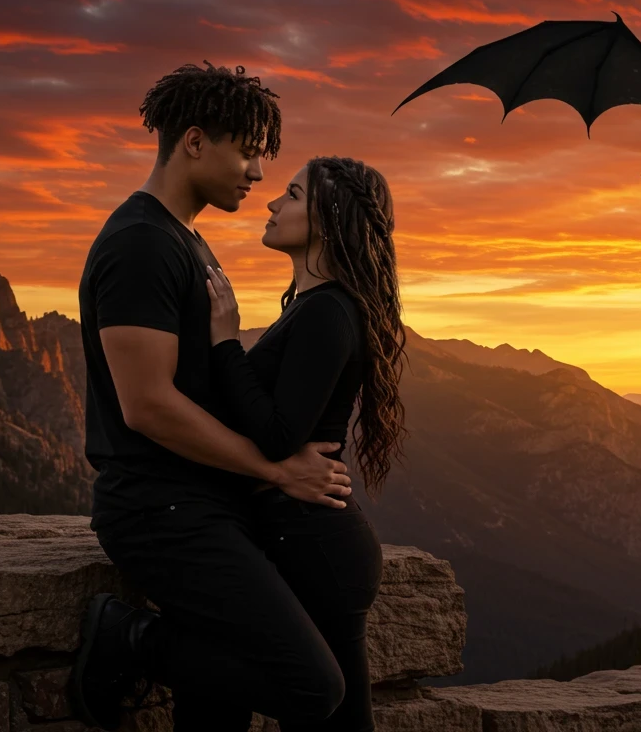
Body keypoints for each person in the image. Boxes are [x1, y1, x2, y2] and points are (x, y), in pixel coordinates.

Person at [64, 62, 379, 731]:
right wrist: (273, 468)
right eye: (247, 152)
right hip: (162, 512)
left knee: (217, 717)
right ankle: (127, 639)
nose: (258, 174)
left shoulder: (188, 243)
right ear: (196, 142)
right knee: (314, 685)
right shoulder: (142, 245)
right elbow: (145, 404)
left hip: (209, 508)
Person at [200, 153, 409, 730]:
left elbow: (277, 435)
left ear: (328, 213)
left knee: (335, 714)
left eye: (291, 195)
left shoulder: (327, 312)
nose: (271, 202)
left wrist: (223, 342)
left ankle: (134, 642)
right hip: (312, 540)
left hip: (316, 544)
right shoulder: (319, 308)